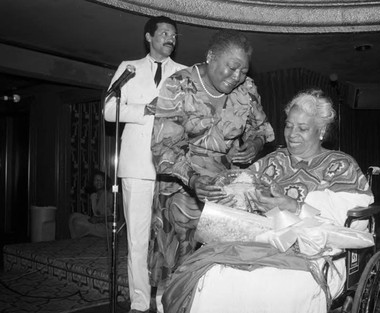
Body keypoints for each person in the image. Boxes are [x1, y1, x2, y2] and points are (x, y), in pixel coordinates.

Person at [162, 89, 374, 313]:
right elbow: (240, 191)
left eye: (302, 128)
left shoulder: (340, 164)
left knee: (273, 285)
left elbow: (354, 223)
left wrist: (292, 206)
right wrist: (224, 193)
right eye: (289, 126)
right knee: (212, 276)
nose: (292, 134)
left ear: (321, 131)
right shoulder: (273, 160)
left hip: (312, 251)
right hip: (258, 243)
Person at [147, 29, 275, 290]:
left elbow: (261, 128)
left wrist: (254, 144)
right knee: (178, 265)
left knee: (221, 265)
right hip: (182, 186)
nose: (237, 77)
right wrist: (193, 179)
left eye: (243, 70)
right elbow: (163, 147)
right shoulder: (178, 85)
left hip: (226, 189)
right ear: (210, 57)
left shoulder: (247, 89)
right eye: (232, 68)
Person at [103, 15, 186, 313]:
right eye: (164, 32)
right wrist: (145, 109)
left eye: (174, 35)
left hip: (171, 170)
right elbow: (109, 110)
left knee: (168, 242)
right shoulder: (128, 68)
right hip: (136, 167)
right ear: (149, 37)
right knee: (137, 240)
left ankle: (166, 302)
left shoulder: (185, 73)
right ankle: (139, 303)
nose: (170, 38)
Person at [69, 171, 121, 238]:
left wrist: (99, 219)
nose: (98, 182)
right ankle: (73, 238)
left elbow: (117, 217)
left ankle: (76, 239)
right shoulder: (93, 196)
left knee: (78, 223)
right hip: (97, 223)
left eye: (101, 180)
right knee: (73, 216)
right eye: (96, 180)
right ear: (92, 182)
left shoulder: (110, 196)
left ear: (105, 182)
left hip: (108, 226)